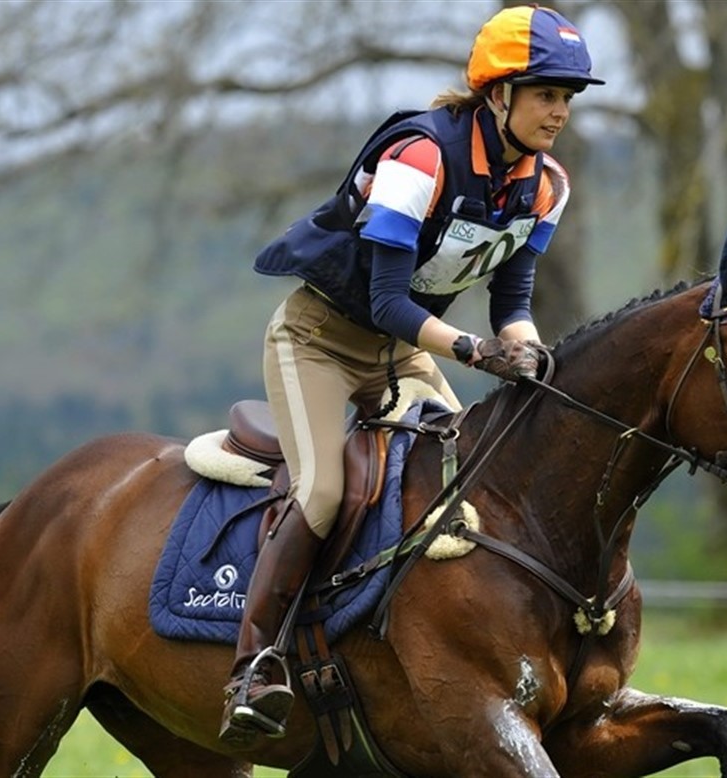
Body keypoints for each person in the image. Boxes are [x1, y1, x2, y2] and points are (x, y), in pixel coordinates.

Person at [218, 3, 604, 744]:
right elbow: (388, 300)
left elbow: (512, 304)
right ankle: (254, 662)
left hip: (402, 353)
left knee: (466, 483)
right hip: (318, 341)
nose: (560, 111)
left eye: (567, 97)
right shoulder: (421, 157)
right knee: (323, 492)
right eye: (546, 94)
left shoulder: (547, 185)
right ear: (499, 94)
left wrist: (528, 352)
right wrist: (475, 351)